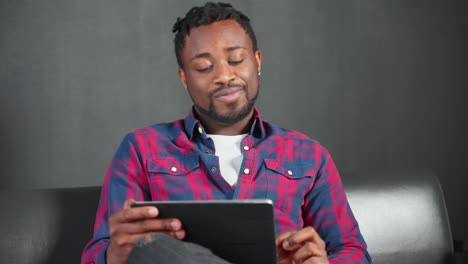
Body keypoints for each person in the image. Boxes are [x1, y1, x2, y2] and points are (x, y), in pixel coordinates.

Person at [82, 2, 372, 264]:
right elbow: (97, 254)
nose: (224, 75)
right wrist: (116, 254)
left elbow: (354, 252)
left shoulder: (308, 155)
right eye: (204, 67)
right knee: (153, 248)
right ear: (184, 78)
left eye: (235, 60)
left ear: (257, 62)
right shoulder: (142, 148)